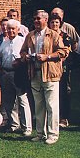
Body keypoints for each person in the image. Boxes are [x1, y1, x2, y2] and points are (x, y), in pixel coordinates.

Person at [20, 10, 69, 145]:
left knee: (52, 105)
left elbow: (63, 51)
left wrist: (47, 56)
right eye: (34, 19)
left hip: (50, 74)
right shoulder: (30, 35)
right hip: (34, 73)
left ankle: (53, 134)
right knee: (39, 105)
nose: (35, 21)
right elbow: (23, 51)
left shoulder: (54, 34)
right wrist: (26, 57)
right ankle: (40, 133)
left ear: (45, 20)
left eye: (38, 19)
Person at [0, 19, 32, 136]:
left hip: (19, 73)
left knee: (22, 100)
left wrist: (20, 61)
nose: (10, 30)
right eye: (9, 28)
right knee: (9, 100)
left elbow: (27, 56)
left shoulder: (22, 41)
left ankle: (27, 127)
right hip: (5, 73)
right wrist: (0, 69)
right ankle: (14, 125)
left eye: (13, 28)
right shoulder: (4, 42)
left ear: (18, 29)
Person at [50, 8, 79, 128]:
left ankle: (64, 117)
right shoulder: (47, 35)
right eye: (52, 22)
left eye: (57, 22)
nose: (54, 24)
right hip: (49, 67)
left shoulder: (65, 35)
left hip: (62, 67)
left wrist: (59, 61)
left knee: (64, 91)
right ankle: (52, 116)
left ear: (60, 23)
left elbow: (68, 50)